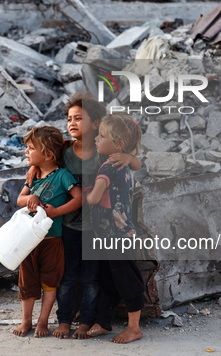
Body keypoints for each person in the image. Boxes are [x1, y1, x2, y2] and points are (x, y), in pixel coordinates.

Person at [27, 93, 141, 340]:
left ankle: (89, 319)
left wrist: (131, 158)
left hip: (96, 229)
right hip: (67, 226)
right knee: (67, 274)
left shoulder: (105, 153)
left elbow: (135, 165)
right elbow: (44, 161)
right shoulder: (64, 150)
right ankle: (66, 319)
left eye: (79, 118)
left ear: (97, 124)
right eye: (69, 118)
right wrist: (35, 167)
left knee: (94, 276)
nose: (72, 123)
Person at [14, 126, 82, 338]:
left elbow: (79, 198)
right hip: (29, 241)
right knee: (27, 283)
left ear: (48, 155)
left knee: (50, 283)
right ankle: (26, 321)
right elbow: (19, 200)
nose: (26, 151)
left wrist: (56, 212)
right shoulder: (32, 176)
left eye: (31, 148)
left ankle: (42, 322)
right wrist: (30, 198)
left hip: (53, 240)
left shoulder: (62, 176)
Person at [86, 113, 145, 344]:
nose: (97, 139)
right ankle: (104, 321)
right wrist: (130, 157)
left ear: (118, 144)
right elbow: (138, 163)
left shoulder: (108, 169)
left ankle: (134, 328)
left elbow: (94, 199)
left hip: (115, 235)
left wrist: (86, 194)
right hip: (114, 234)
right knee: (110, 279)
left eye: (101, 136)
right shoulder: (123, 164)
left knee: (126, 279)